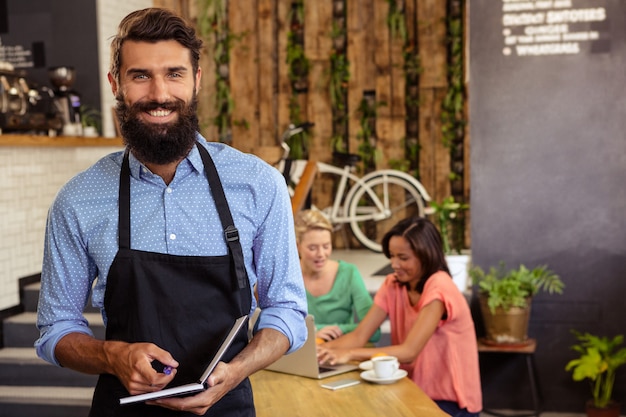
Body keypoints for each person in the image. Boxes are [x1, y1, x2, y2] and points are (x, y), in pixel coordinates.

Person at [34, 8, 307, 417]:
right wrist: (113, 356)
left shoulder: (257, 184)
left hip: (227, 406)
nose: (159, 93)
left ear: (197, 80)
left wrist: (236, 372)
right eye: (140, 75)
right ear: (116, 84)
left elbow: (287, 309)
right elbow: (55, 329)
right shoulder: (78, 199)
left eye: (174, 74)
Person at [317, 217, 482, 417]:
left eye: (403, 258)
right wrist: (319, 351)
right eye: (392, 256)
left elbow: (409, 351)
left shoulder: (439, 287)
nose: (395, 264)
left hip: (451, 403)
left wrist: (350, 354)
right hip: (413, 391)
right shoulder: (392, 284)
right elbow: (360, 335)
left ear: (426, 256)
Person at [294, 210, 380, 343]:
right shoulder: (289, 277)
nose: (321, 254)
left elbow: (374, 331)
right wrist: (314, 331)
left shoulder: (349, 273)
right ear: (297, 246)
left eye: (326, 246)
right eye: (312, 248)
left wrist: (337, 329)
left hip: (343, 353)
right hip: (300, 356)